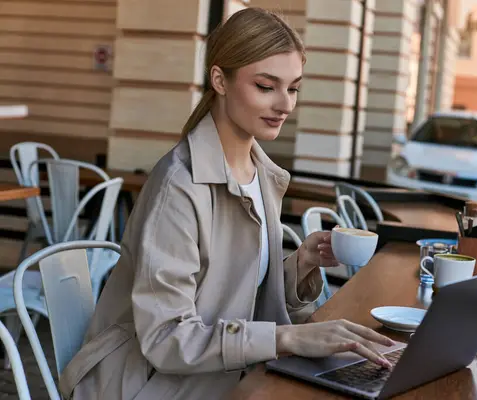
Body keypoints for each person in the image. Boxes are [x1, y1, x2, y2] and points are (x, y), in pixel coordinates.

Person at [59, 8, 394, 400]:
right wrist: (288, 337)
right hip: (144, 387)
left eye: (294, 88)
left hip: (221, 378)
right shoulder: (179, 187)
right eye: (266, 87)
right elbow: (167, 337)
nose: (285, 104)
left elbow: (231, 302)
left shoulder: (260, 174)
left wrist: (296, 267)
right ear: (219, 80)